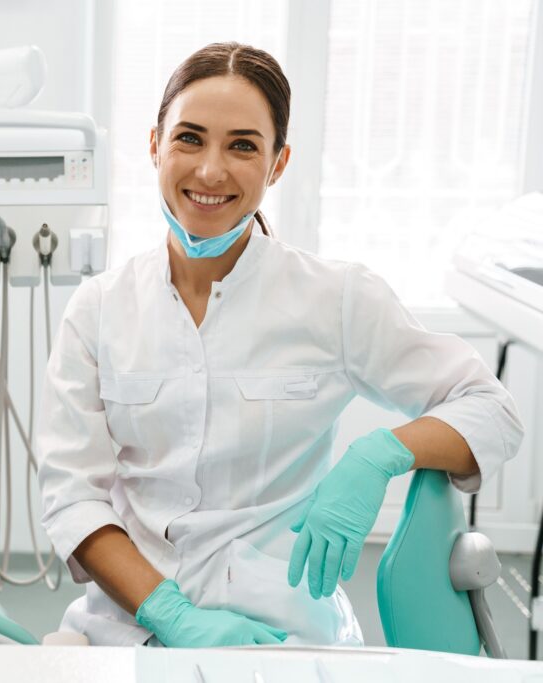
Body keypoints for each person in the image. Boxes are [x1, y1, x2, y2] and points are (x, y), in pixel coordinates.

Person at [35, 42, 524, 648]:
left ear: (278, 163)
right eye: (189, 138)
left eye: (242, 145)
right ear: (155, 144)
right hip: (121, 623)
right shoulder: (100, 308)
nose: (210, 170)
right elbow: (72, 496)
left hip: (281, 631)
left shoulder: (335, 297)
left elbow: (494, 410)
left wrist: (380, 453)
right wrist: (169, 613)